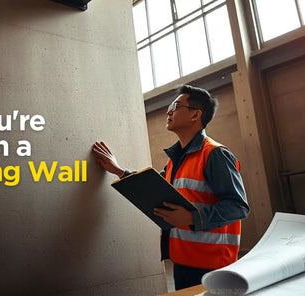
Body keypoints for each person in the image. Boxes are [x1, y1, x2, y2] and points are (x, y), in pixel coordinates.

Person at [92, 85, 249, 290]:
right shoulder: (176, 160)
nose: (169, 111)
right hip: (182, 260)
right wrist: (119, 171)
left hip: (212, 266)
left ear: (195, 115)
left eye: (176, 106)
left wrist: (192, 217)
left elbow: (239, 207)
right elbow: (154, 186)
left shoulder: (215, 155)